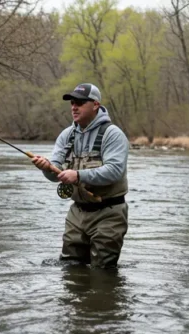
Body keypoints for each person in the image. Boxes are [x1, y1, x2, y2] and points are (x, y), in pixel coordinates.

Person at [31, 83, 130, 269]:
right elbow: (56, 174)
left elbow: (115, 171)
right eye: (72, 103)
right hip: (77, 213)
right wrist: (46, 168)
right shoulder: (66, 135)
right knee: (70, 268)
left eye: (80, 102)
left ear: (95, 105)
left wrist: (78, 175)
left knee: (103, 270)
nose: (74, 107)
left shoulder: (113, 134)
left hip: (109, 212)